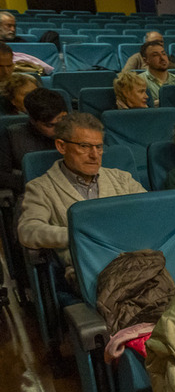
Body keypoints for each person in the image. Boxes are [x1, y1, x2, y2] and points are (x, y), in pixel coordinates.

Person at [17, 113, 145, 281]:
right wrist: (79, 234)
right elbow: (28, 231)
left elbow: (149, 215)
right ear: (61, 146)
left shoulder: (122, 179)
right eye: (84, 146)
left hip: (139, 260)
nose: (94, 155)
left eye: (98, 147)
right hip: (91, 271)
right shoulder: (41, 188)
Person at [0, 88, 67, 193]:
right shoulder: (12, 136)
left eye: (62, 121)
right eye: (50, 125)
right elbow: (3, 176)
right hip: (32, 192)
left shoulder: (76, 132)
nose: (59, 129)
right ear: (32, 120)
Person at [141, 41, 175, 107]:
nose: (162, 58)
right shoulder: (138, 81)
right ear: (145, 60)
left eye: (164, 54)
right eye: (155, 55)